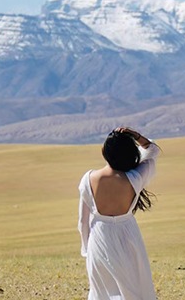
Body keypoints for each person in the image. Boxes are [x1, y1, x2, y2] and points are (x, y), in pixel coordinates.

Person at [78, 127, 160, 300]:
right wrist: (135, 135)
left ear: (104, 152)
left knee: (102, 292)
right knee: (133, 289)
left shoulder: (88, 179)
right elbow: (153, 150)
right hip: (128, 236)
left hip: (99, 238)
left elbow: (82, 222)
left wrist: (87, 249)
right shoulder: (135, 177)